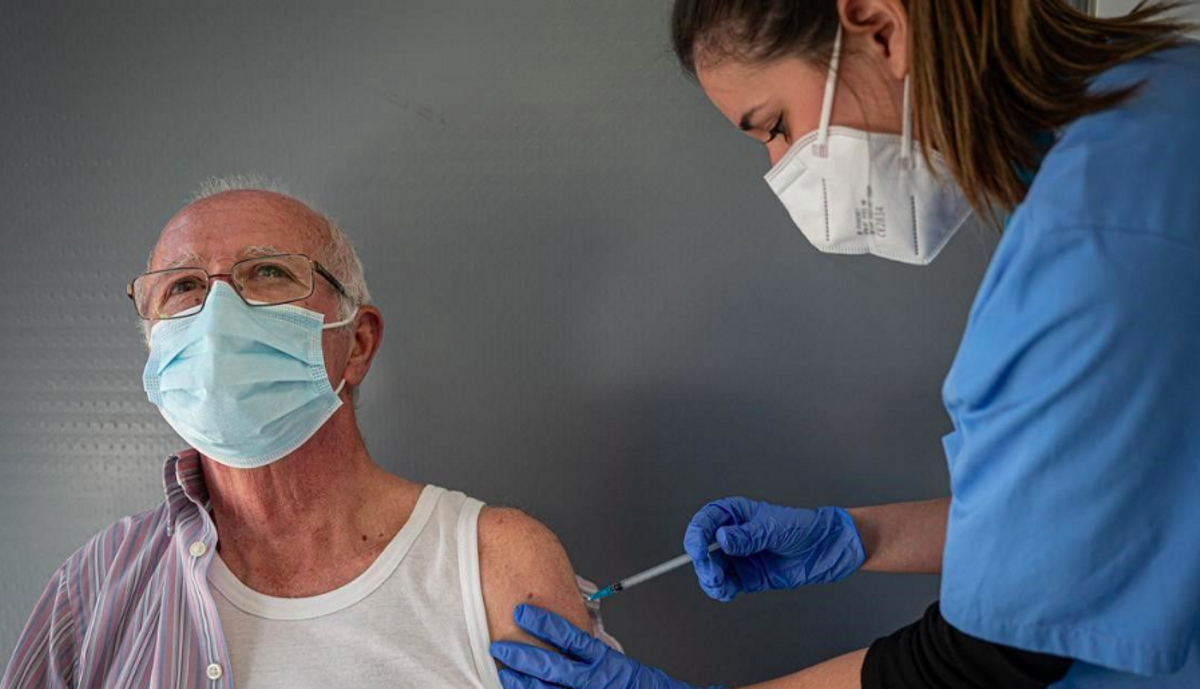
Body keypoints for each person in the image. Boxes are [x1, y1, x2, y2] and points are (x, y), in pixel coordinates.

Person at [491, 1, 1200, 688]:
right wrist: (854, 535)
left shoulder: (1093, 248)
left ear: (882, 28)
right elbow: (1078, 518)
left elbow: (989, 659)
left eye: (775, 125)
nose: (780, 166)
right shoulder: (1163, 102)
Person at [0, 178, 618, 689]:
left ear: (359, 343)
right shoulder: (96, 587)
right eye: (183, 287)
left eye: (267, 272)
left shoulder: (492, 565)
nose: (217, 318)